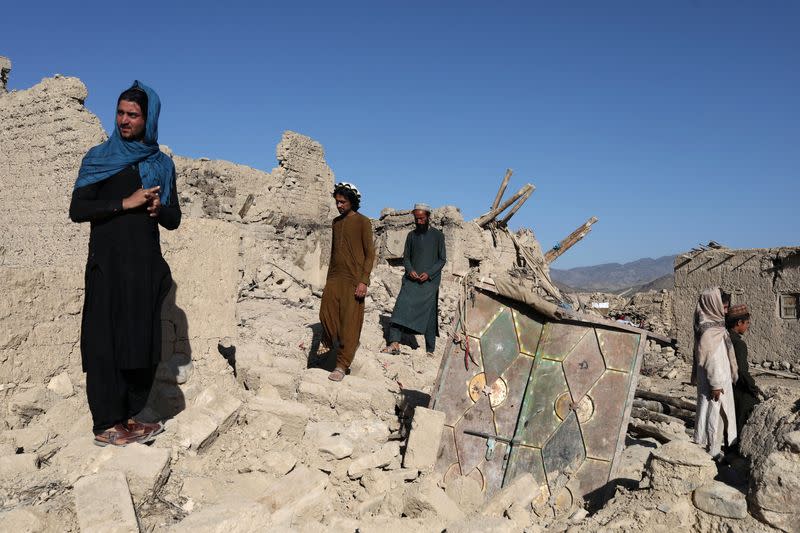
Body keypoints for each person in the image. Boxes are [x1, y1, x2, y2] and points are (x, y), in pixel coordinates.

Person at [69, 81, 180, 446]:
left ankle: (130, 416)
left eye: (133, 115)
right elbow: (78, 210)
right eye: (120, 112)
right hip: (108, 266)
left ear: (148, 120)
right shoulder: (98, 157)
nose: (123, 121)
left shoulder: (161, 164)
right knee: (105, 341)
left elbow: (174, 218)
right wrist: (124, 203)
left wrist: (157, 208)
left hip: (145, 267)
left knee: (142, 342)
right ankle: (106, 421)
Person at [319, 182, 375, 382]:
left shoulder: (363, 222)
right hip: (335, 277)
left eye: (343, 202)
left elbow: (370, 254)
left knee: (349, 323)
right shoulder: (335, 222)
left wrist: (364, 281)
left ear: (352, 201)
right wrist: (327, 280)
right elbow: (334, 253)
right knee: (325, 312)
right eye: (337, 202)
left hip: (354, 280)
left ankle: (342, 365)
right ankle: (331, 342)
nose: (339, 206)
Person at [381, 203, 446, 356]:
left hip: (430, 283)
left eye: (422, 218)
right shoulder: (411, 235)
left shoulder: (438, 236)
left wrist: (429, 274)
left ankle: (430, 349)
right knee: (399, 309)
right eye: (416, 219)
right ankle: (394, 343)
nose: (419, 222)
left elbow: (442, 259)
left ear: (428, 217)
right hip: (411, 280)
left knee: (429, 316)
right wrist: (410, 271)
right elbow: (407, 257)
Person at [692, 288, 738, 460]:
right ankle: (711, 455)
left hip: (719, 382)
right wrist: (716, 384)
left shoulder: (716, 326)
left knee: (718, 420)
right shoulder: (708, 331)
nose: (726, 311)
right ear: (712, 305)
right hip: (715, 386)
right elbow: (712, 360)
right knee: (714, 421)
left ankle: (714, 452)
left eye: (726, 307)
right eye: (724, 307)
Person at [726, 304, 759, 436]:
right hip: (736, 388)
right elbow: (742, 371)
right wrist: (753, 388)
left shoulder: (724, 337)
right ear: (739, 323)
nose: (748, 326)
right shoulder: (739, 344)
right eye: (747, 323)